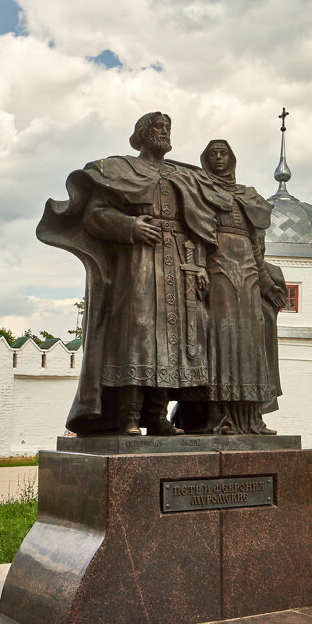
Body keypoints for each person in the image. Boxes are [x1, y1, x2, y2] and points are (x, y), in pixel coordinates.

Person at [37, 113, 232, 436]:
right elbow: (95, 216)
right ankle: (127, 416)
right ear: (142, 134)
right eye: (158, 127)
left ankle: (156, 416)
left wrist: (197, 264)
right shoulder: (120, 170)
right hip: (139, 262)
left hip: (179, 267)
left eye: (168, 128)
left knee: (173, 343)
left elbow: (195, 226)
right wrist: (131, 226)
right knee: (138, 336)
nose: (165, 132)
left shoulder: (180, 176)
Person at [177, 140, 286, 434]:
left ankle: (252, 419)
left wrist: (265, 284)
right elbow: (194, 235)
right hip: (218, 267)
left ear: (232, 158)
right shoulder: (201, 192)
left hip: (248, 271)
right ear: (205, 160)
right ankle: (218, 418)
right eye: (213, 153)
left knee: (251, 343)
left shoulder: (249, 196)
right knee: (221, 342)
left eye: (223, 152)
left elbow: (258, 246)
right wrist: (199, 266)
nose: (218, 158)